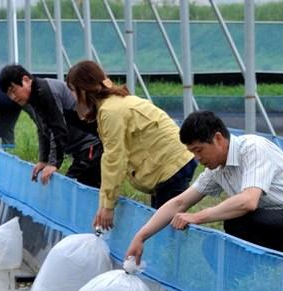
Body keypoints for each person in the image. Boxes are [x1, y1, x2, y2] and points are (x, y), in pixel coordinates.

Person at [125, 110, 283, 266]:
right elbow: (180, 202)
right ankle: (254, 281)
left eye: (199, 150)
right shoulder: (217, 169)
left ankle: (282, 264)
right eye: (192, 152)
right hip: (280, 222)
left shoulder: (254, 148)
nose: (197, 159)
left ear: (218, 139)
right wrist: (141, 236)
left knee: (238, 220)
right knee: (215, 246)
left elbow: (248, 201)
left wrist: (198, 216)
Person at [64, 60, 196, 231]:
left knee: (163, 229)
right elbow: (111, 158)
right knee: (160, 224)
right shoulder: (114, 103)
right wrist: (103, 204)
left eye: (73, 90)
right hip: (171, 165)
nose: (73, 97)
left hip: (171, 167)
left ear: (83, 89)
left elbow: (114, 159)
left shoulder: (111, 112)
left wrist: (108, 207)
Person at [0, 64, 103, 188]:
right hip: (81, 150)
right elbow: (43, 129)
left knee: (74, 187)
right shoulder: (33, 97)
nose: (13, 97)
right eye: (8, 95)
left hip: (92, 145)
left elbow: (58, 129)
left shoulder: (45, 91)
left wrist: (53, 163)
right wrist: (43, 160)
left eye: (13, 90)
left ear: (26, 80)